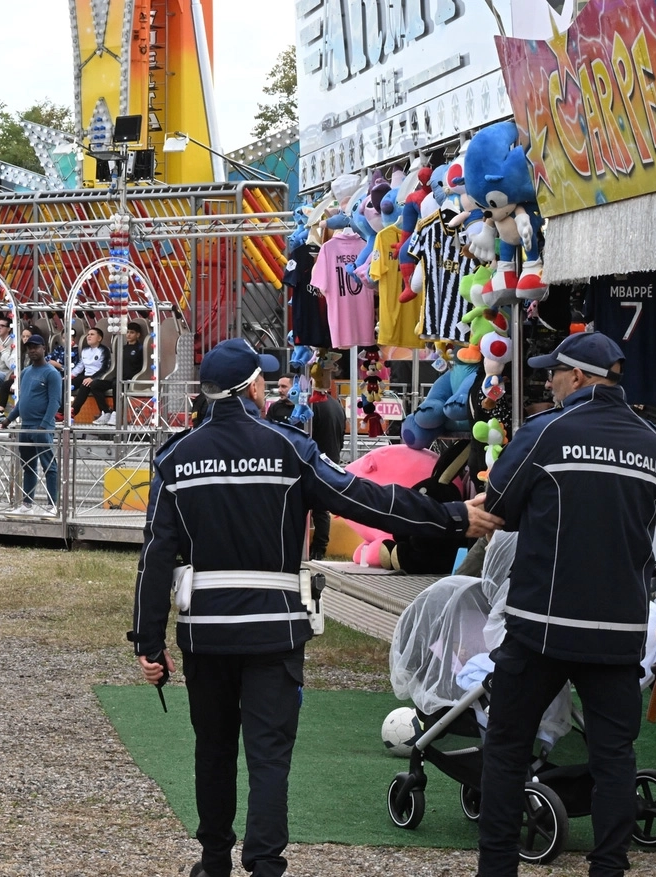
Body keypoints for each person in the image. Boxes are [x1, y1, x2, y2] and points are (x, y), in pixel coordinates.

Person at [129, 338, 500, 877]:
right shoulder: (288, 448)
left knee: (212, 750)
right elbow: (363, 498)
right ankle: (264, 865)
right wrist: (451, 516)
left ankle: (212, 861)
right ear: (253, 387)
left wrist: (147, 641)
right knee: (269, 755)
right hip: (275, 628)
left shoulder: (173, 458)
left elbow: (154, 556)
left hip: (205, 632)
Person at [476, 332, 656, 877]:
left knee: (508, 746)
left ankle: (496, 868)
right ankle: (608, 867)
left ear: (579, 377)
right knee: (615, 758)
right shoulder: (652, 443)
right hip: (617, 629)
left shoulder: (546, 431)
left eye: (552, 373)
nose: (547, 382)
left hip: (541, 625)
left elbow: (501, 506)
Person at [1, 334, 62, 515]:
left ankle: (53, 505)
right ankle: (27, 505)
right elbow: (22, 402)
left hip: (41, 426)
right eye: (29, 347)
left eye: (36, 347)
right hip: (25, 426)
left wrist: (44, 425)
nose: (32, 350)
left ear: (44, 348)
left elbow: (54, 402)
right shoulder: (26, 372)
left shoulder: (52, 373)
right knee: (28, 466)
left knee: (49, 466)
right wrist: (8, 419)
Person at [307, 370, 345, 559]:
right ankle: (319, 548)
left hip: (316, 460)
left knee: (313, 508)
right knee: (322, 508)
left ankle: (316, 548)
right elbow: (341, 435)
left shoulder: (314, 406)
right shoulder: (337, 405)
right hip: (332, 458)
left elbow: (309, 437)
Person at [70, 326, 116, 425]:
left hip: (102, 378)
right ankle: (61, 411)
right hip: (87, 376)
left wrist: (92, 378)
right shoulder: (85, 350)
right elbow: (80, 366)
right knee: (67, 383)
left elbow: (105, 368)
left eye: (92, 334)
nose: (89, 336)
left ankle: (73, 410)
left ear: (99, 338)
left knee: (86, 383)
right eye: (88, 335)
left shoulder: (104, 350)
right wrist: (71, 375)